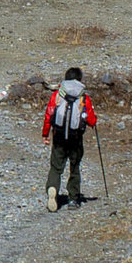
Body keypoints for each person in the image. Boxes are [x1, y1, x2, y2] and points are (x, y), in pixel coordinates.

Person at [41, 67, 94, 210]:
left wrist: (45, 135)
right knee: (74, 168)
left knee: (56, 167)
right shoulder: (83, 96)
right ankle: (73, 199)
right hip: (75, 139)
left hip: (58, 138)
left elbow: (49, 115)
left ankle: (52, 188)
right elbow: (91, 120)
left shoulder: (58, 94)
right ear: (80, 79)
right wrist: (94, 122)